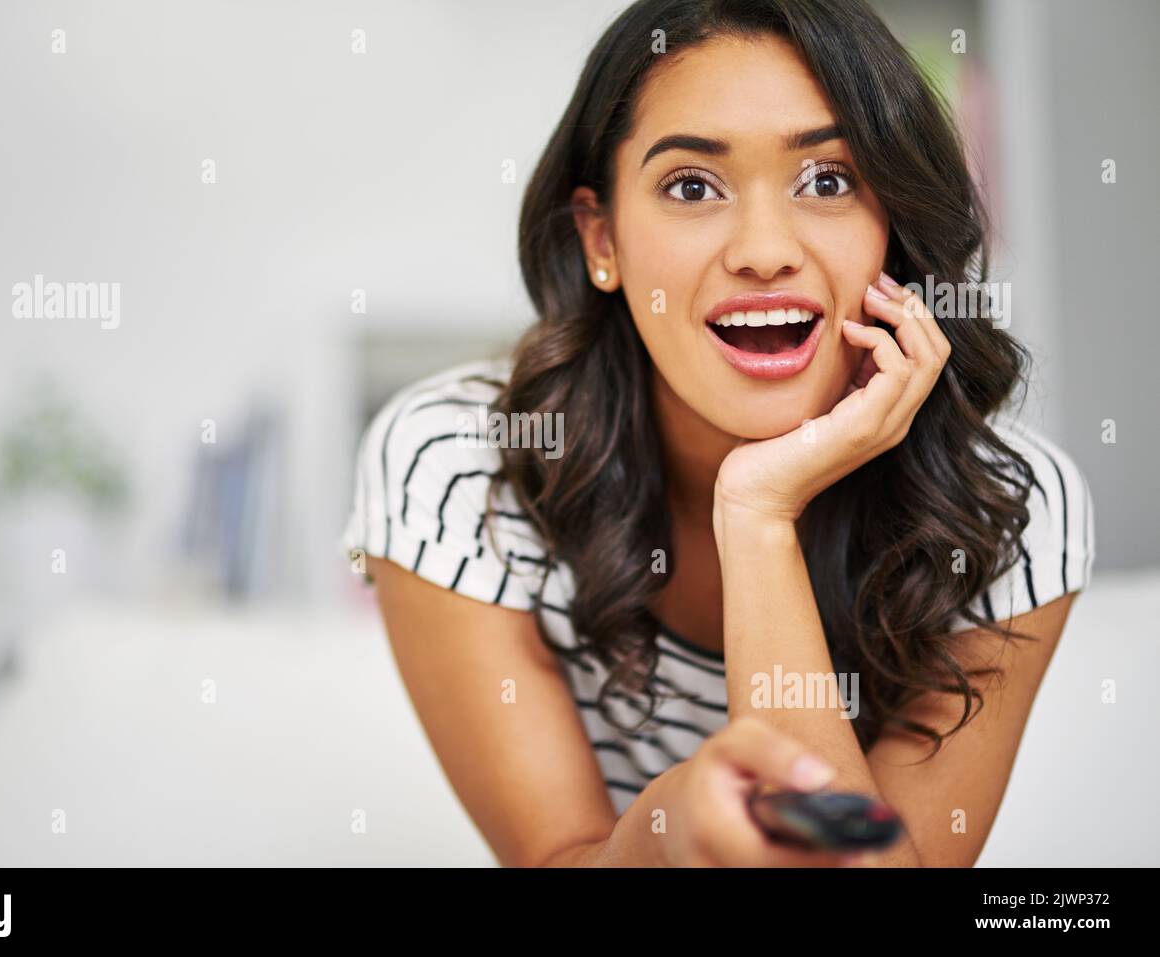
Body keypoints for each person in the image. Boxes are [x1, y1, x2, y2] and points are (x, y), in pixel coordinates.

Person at [341, 0, 1095, 867]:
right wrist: (668, 824)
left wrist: (759, 512)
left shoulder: (1010, 511)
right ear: (602, 240)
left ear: (892, 227)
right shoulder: (455, 467)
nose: (765, 249)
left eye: (828, 178)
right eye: (692, 186)